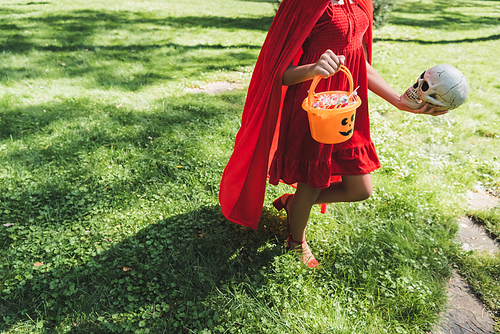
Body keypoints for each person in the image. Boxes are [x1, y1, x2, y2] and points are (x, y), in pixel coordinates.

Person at [219, 0, 446, 268]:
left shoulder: (361, 2)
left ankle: (295, 205)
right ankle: (296, 239)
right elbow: (277, 73)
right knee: (312, 182)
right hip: (313, 110)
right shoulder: (302, 5)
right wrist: (314, 68)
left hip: (347, 109)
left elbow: (358, 60)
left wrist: (398, 100)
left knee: (360, 188)